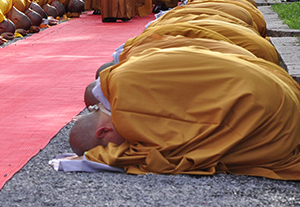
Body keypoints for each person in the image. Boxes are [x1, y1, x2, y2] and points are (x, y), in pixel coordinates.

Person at [69, 47, 300, 179]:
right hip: (272, 81)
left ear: (103, 131)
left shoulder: (127, 111)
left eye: (109, 145)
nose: (123, 144)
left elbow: (161, 157)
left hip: (271, 111)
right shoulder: (121, 74)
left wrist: (96, 159)